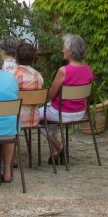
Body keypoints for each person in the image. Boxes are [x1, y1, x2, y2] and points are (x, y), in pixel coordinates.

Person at [42, 33, 95, 163]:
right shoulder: (88, 69)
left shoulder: (64, 71)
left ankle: (59, 147)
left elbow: (51, 96)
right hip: (80, 112)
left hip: (62, 113)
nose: (62, 50)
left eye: (64, 47)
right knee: (47, 115)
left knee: (34, 117)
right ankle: (54, 152)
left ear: (71, 51)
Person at [10, 40, 45, 132]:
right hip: (34, 120)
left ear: (16, 57)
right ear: (33, 59)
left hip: (15, 121)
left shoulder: (12, 75)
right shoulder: (38, 76)